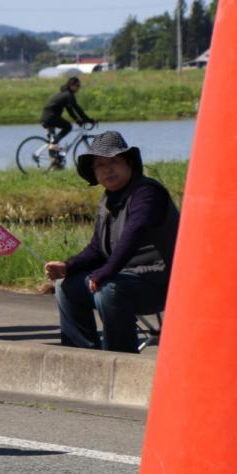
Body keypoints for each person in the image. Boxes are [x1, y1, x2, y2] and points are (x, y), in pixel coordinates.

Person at [44, 131, 180, 353]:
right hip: (122, 277)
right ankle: (81, 355)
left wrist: (104, 272)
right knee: (65, 286)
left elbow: (134, 233)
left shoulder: (147, 193)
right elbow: (97, 249)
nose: (107, 169)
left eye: (113, 161)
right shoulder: (107, 199)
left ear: (128, 163)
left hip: (158, 282)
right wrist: (68, 266)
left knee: (108, 288)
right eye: (100, 165)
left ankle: (119, 356)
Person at [40, 76, 93, 143]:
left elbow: (70, 110)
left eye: (79, 86)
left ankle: (53, 145)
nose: (79, 88)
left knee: (53, 142)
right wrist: (88, 119)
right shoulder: (68, 95)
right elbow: (77, 108)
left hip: (48, 116)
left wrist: (77, 120)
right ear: (71, 85)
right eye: (77, 85)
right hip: (51, 117)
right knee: (68, 127)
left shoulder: (65, 94)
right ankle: (54, 142)